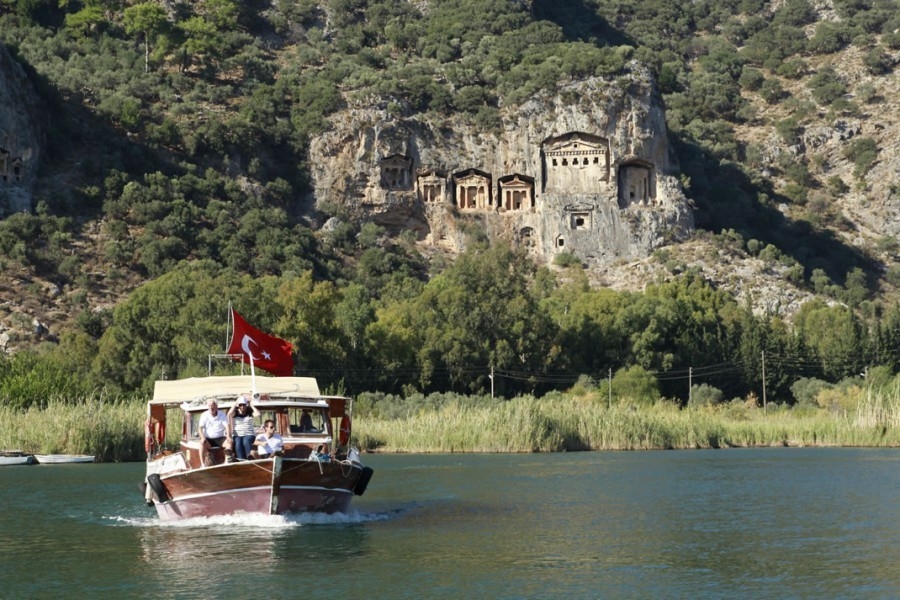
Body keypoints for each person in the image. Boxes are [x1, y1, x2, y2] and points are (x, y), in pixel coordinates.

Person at [199, 399, 232, 465]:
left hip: (220, 438)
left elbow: (227, 426)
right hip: (208, 439)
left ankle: (226, 463)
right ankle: (203, 464)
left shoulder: (222, 414)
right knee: (201, 444)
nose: (211, 408)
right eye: (209, 406)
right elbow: (200, 428)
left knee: (229, 443)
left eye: (212, 406)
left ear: (216, 406)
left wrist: (228, 436)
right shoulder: (204, 415)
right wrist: (202, 437)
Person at [227, 394, 260, 460]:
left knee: (246, 441)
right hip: (237, 435)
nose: (242, 407)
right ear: (238, 406)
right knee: (238, 443)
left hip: (249, 434)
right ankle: (241, 460)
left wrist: (251, 405)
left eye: (244, 405)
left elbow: (258, 414)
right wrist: (236, 403)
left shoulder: (250, 412)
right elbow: (229, 414)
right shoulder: (235, 413)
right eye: (240, 405)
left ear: (246, 405)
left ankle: (250, 457)